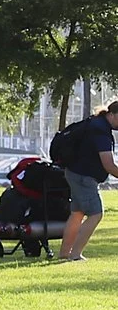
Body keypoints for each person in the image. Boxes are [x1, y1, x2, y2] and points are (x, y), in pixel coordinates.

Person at [57, 99, 118, 261]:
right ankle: (75, 254)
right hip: (84, 177)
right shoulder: (101, 131)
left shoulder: (94, 124)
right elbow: (109, 165)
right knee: (96, 214)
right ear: (111, 114)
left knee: (77, 213)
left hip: (74, 173)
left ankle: (64, 253)